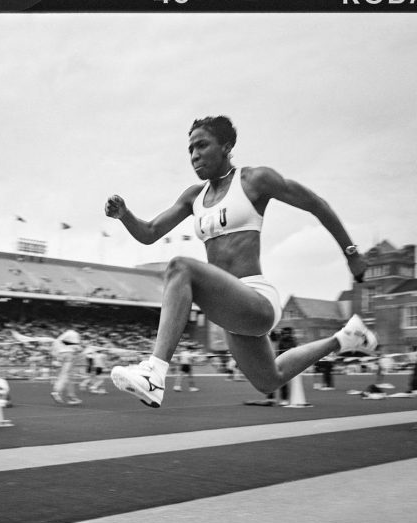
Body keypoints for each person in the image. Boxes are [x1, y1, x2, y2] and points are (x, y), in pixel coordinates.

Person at [106, 115, 376, 408]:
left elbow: (316, 204)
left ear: (226, 146)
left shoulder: (254, 180)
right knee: (269, 379)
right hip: (229, 309)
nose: (195, 155)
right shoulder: (193, 197)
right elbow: (150, 233)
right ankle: (346, 338)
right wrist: (124, 215)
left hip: (256, 298)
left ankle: (155, 373)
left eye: (202, 145)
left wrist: (351, 253)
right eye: (190, 150)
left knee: (180, 267)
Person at [50, 329, 83, 405]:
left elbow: (54, 348)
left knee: (66, 376)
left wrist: (56, 358)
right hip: (69, 355)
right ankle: (57, 392)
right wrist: (80, 349)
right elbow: (76, 346)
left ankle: (72, 397)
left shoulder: (60, 338)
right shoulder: (74, 333)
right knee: (66, 375)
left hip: (60, 356)